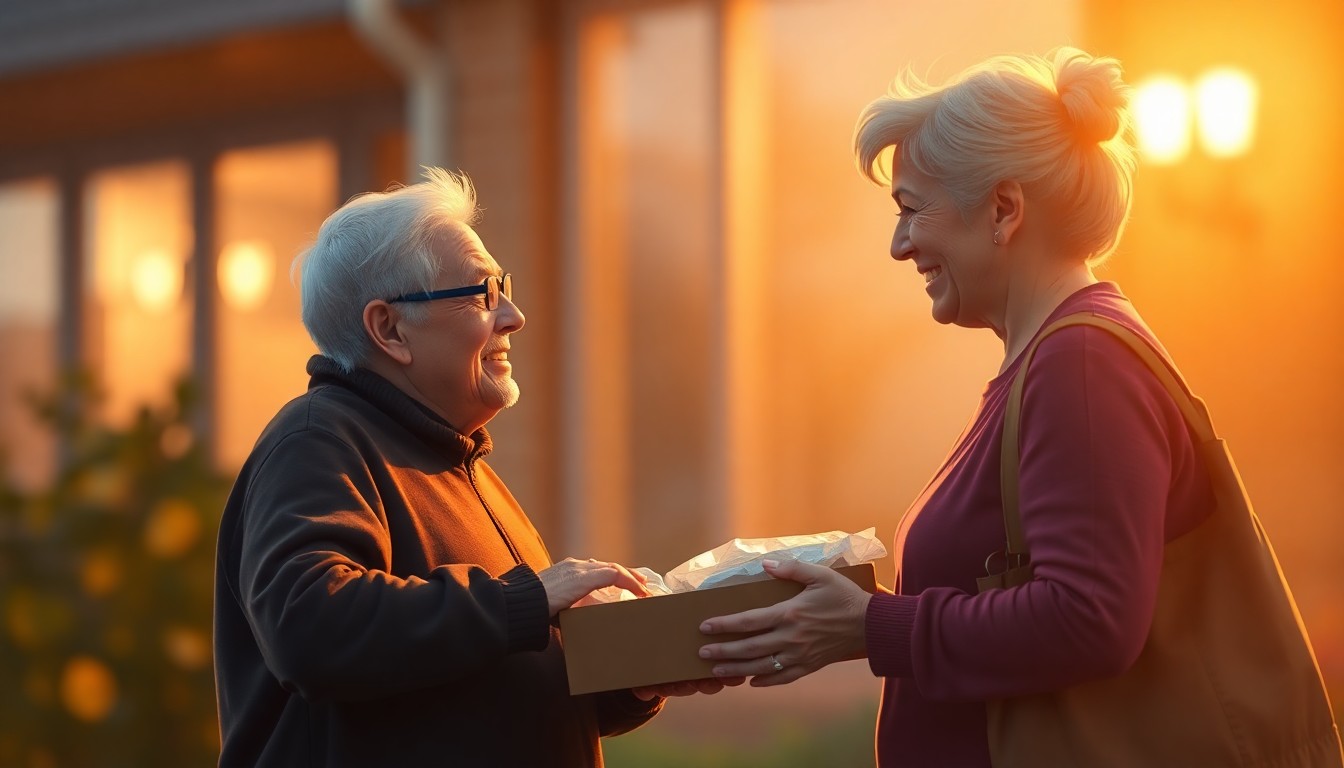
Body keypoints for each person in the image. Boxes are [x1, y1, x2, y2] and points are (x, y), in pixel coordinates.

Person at [696, 48, 1221, 765]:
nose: (898, 244)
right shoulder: (1050, 360)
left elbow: (1090, 619)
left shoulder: (1082, 366)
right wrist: (855, 611)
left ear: (1004, 210)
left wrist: (873, 627)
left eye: (911, 209)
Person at [213, 169, 735, 767]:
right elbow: (309, 625)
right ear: (389, 329)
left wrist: (629, 681)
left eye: (504, 288)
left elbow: (482, 676)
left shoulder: (458, 461)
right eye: (481, 294)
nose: (513, 316)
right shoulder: (318, 440)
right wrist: (527, 599)